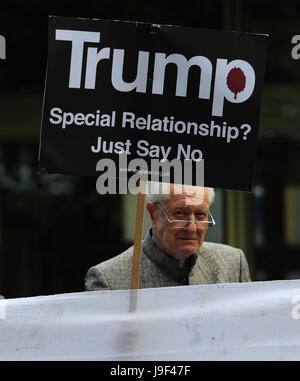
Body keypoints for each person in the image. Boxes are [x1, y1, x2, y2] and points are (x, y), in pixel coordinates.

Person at [85, 182, 251, 291]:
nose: (192, 227)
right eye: (180, 214)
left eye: (200, 215)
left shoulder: (232, 264)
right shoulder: (108, 280)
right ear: (153, 214)